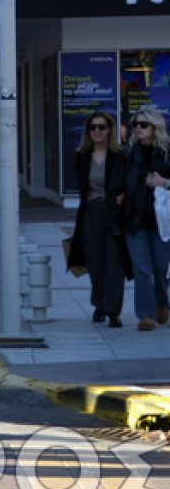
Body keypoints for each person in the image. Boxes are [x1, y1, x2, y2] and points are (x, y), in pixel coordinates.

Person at [67, 112, 128, 327]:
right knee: (94, 262)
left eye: (102, 127)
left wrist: (124, 196)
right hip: (90, 213)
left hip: (113, 214)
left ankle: (113, 311)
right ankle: (99, 304)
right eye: (92, 127)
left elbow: (130, 182)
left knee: (114, 263)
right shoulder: (81, 156)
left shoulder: (120, 155)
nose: (97, 132)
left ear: (110, 130)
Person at [118, 107, 170, 331]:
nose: (138, 128)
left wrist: (165, 183)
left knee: (160, 269)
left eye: (143, 125)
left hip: (162, 221)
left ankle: (161, 304)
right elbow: (119, 183)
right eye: (136, 124)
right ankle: (145, 315)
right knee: (141, 268)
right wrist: (119, 197)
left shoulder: (167, 153)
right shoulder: (128, 155)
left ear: (155, 127)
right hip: (135, 220)